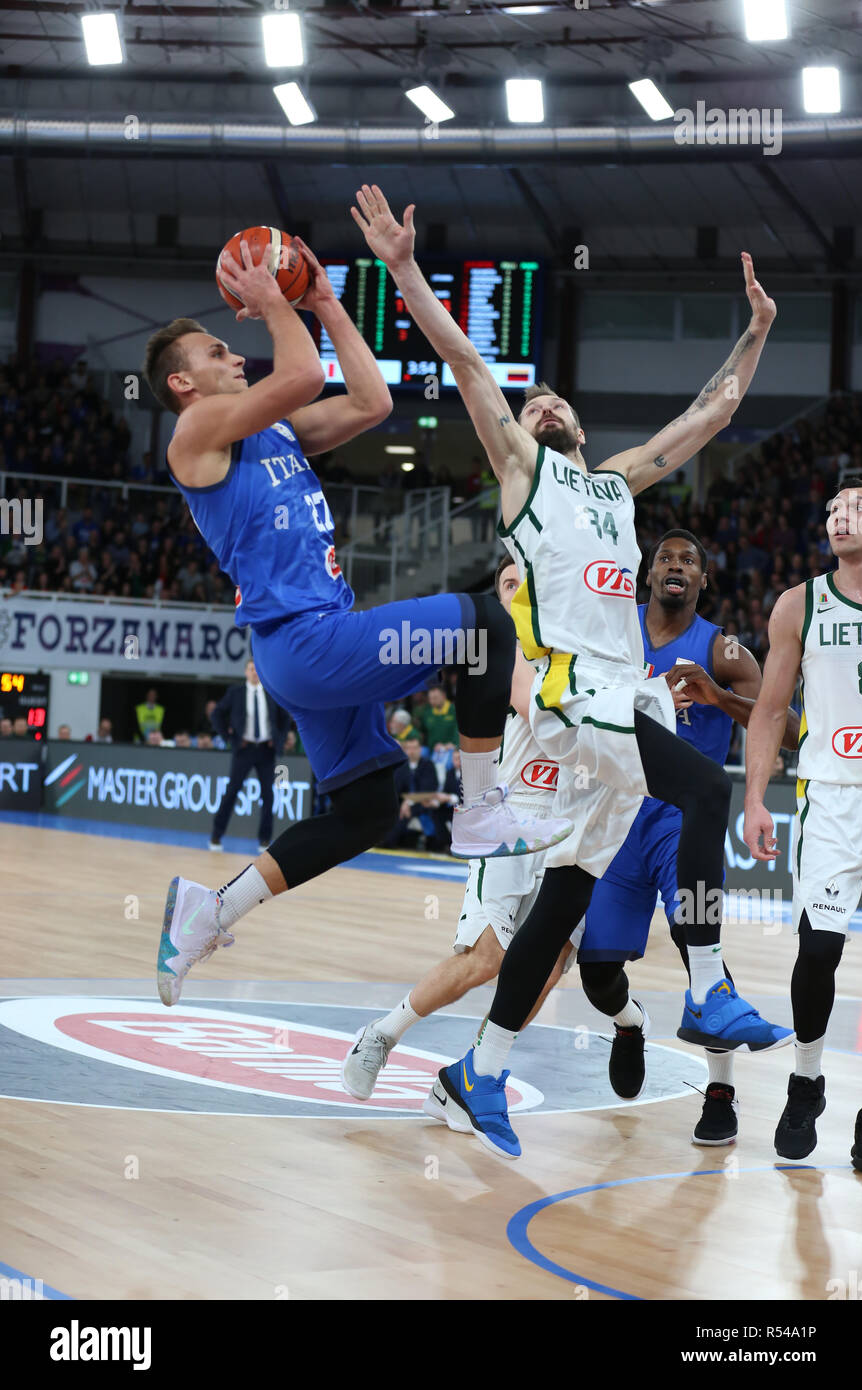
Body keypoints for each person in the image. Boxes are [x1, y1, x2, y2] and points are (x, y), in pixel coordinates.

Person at [353, 183, 790, 1158]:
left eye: (554, 399)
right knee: (698, 790)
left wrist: (754, 331)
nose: (540, 401)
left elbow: (708, 415)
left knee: (561, 900)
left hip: (615, 698)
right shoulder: (521, 469)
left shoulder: (611, 482)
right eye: (530, 398)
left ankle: (480, 1069)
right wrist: (401, 269)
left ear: (580, 426)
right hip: (563, 701)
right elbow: (465, 358)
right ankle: (709, 985)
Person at [144, 234, 571, 1007]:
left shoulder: (270, 431)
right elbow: (303, 371)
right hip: (307, 641)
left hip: (312, 646)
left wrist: (327, 300)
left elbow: (372, 401)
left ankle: (209, 913)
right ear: (182, 382)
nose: (234, 351)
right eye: (216, 349)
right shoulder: (195, 434)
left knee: (372, 805)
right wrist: (277, 299)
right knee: (485, 623)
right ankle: (478, 810)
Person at [567, 529, 799, 1145]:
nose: (676, 565)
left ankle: (720, 1093)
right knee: (596, 972)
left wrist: (718, 697)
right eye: (665, 558)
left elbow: (789, 726)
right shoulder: (613, 633)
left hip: (680, 819)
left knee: (702, 944)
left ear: (703, 582)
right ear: (648, 576)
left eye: (689, 561)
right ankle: (629, 1021)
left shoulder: (723, 651)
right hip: (615, 815)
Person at [343, 557, 573, 1099]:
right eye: (508, 585)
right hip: (510, 820)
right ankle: (380, 1035)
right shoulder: (502, 652)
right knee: (483, 960)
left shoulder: (570, 645)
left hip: (568, 828)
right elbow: (535, 706)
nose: (517, 593)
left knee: (553, 963)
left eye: (526, 584)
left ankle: (476, 1072)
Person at [744, 478, 862, 1171]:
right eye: (833, 509)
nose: (840, 517)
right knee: (818, 951)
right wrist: (756, 797)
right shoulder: (802, 603)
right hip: (833, 796)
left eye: (858, 507)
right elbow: (769, 710)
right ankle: (807, 1079)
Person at [209, 659, 291, 853]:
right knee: (232, 792)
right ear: (245, 672)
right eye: (251, 669)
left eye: (256, 669)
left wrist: (277, 739)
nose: (254, 672)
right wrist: (229, 737)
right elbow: (216, 714)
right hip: (243, 749)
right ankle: (216, 835)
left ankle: (264, 840)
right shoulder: (236, 693)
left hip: (265, 750)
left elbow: (285, 717)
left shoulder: (270, 692)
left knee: (268, 796)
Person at [379, 734, 439, 850]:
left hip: (422, 803)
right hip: (402, 804)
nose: (412, 751)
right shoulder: (402, 767)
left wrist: (409, 802)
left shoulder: (428, 765)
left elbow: (428, 789)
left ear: (420, 749)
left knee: (404, 813)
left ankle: (388, 841)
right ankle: (383, 839)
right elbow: (396, 788)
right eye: (409, 748)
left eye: (414, 748)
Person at [415, 683, 458, 752]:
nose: (432, 701)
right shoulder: (427, 713)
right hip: (432, 752)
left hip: (451, 750)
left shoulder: (454, 711)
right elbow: (421, 731)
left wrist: (453, 744)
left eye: (435, 698)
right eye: (430, 698)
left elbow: (459, 731)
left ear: (444, 696)